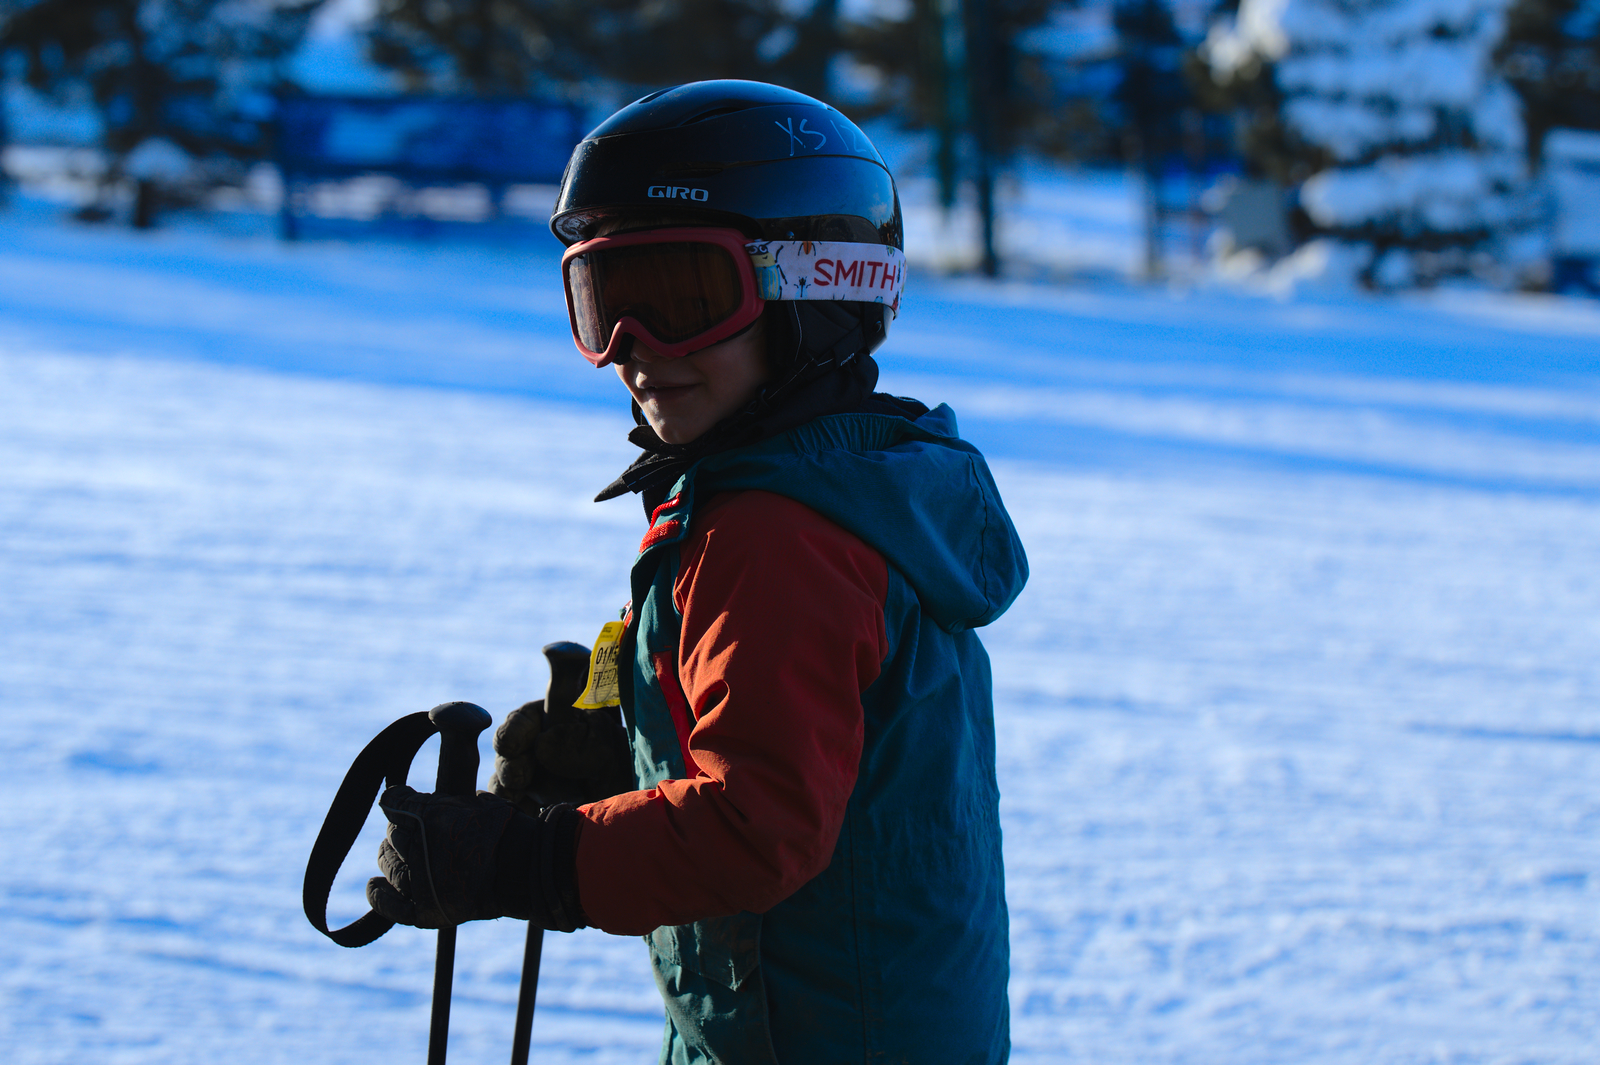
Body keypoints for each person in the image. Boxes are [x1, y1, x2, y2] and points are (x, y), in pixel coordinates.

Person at [367, 80, 1028, 1064]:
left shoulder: (776, 532)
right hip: (861, 1017)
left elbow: (757, 827)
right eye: (604, 302)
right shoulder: (853, 487)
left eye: (681, 297)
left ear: (816, 291)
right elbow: (822, 751)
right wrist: (629, 755)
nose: (631, 351)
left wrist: (522, 860)